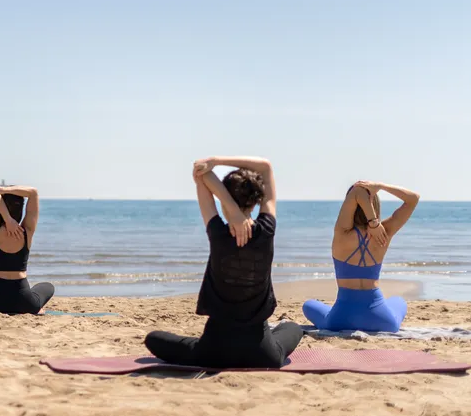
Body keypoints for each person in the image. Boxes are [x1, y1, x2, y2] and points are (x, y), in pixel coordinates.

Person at [144, 157, 303, 368]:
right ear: (256, 201)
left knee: (153, 338)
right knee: (294, 328)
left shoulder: (218, 233)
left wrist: (229, 205)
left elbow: (201, 174)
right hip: (262, 353)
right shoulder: (266, 230)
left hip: (213, 351)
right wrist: (218, 161)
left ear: (222, 196)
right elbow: (266, 167)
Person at [302, 181, 420, 332]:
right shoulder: (385, 232)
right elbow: (413, 199)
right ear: (375, 205)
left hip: (340, 319)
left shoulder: (342, 233)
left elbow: (357, 193)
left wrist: (373, 222)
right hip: (381, 320)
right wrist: (381, 187)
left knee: (308, 305)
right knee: (399, 301)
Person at [0, 184, 55, 314]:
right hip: (25, 303)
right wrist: (4, 190)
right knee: (48, 286)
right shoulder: (27, 231)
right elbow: (33, 192)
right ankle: (38, 309)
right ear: (21, 210)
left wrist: (7, 218)